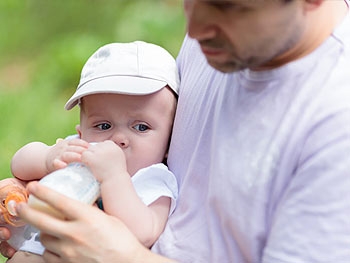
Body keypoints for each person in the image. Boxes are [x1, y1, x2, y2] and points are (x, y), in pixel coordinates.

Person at [1, 0, 350, 262]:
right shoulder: (220, 41)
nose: (195, 31)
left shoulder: (334, 124)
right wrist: (33, 193)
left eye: (226, 7)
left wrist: (120, 256)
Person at [2, 41, 179, 262]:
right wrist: (48, 157)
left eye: (141, 127)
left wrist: (114, 177)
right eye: (103, 125)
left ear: (169, 143)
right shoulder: (78, 151)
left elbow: (143, 234)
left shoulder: (153, 180)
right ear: (81, 132)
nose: (118, 139)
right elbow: (18, 164)